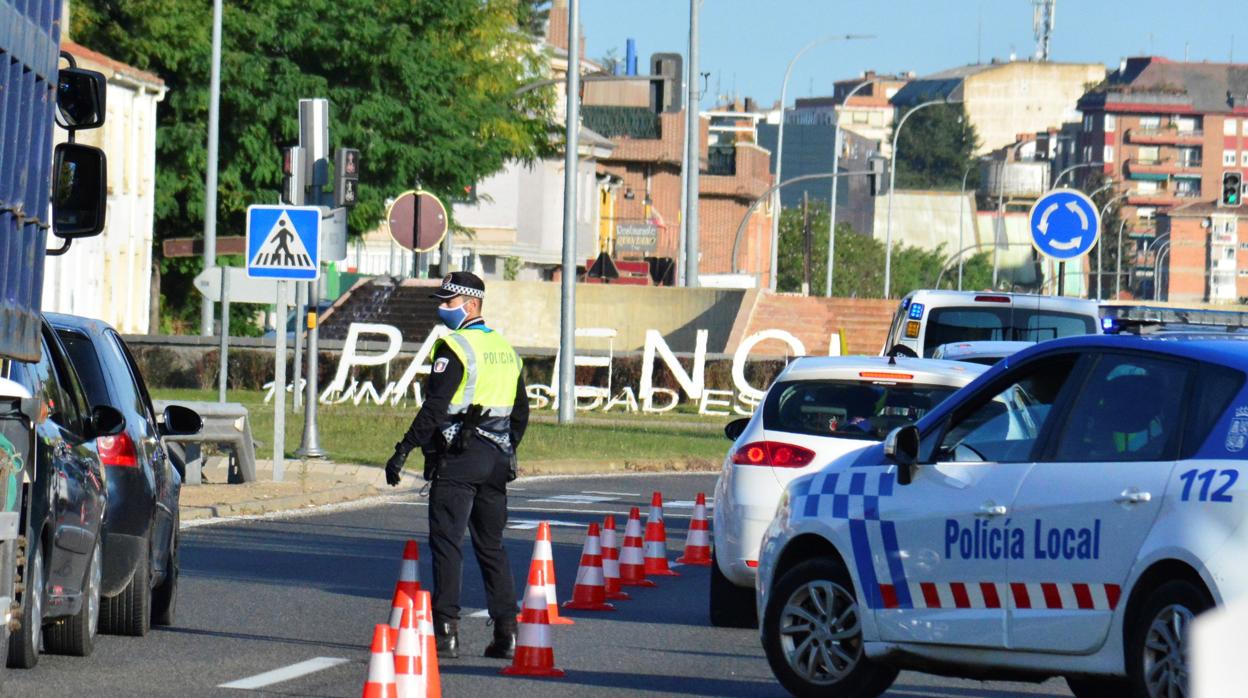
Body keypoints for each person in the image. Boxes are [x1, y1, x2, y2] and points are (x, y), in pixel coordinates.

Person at [385, 271, 529, 660]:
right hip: (497, 459)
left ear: (472, 305)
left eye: (448, 302)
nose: (441, 308)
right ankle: (507, 634)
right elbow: (520, 414)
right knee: (492, 547)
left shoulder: (454, 346)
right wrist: (504, 446)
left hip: (460, 457)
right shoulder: (505, 349)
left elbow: (434, 408)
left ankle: (445, 632)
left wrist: (404, 448)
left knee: (447, 544)